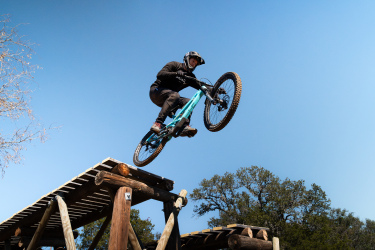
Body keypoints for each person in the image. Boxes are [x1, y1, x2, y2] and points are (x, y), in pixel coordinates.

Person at [149, 51, 205, 138]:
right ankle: (158, 123)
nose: (194, 64)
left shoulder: (190, 76)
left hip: (171, 99)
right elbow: (159, 75)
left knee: (189, 102)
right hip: (156, 92)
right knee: (175, 95)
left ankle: (184, 126)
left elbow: (201, 86)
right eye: (193, 61)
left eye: (196, 63)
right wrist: (175, 74)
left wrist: (215, 90)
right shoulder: (174, 65)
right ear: (187, 59)